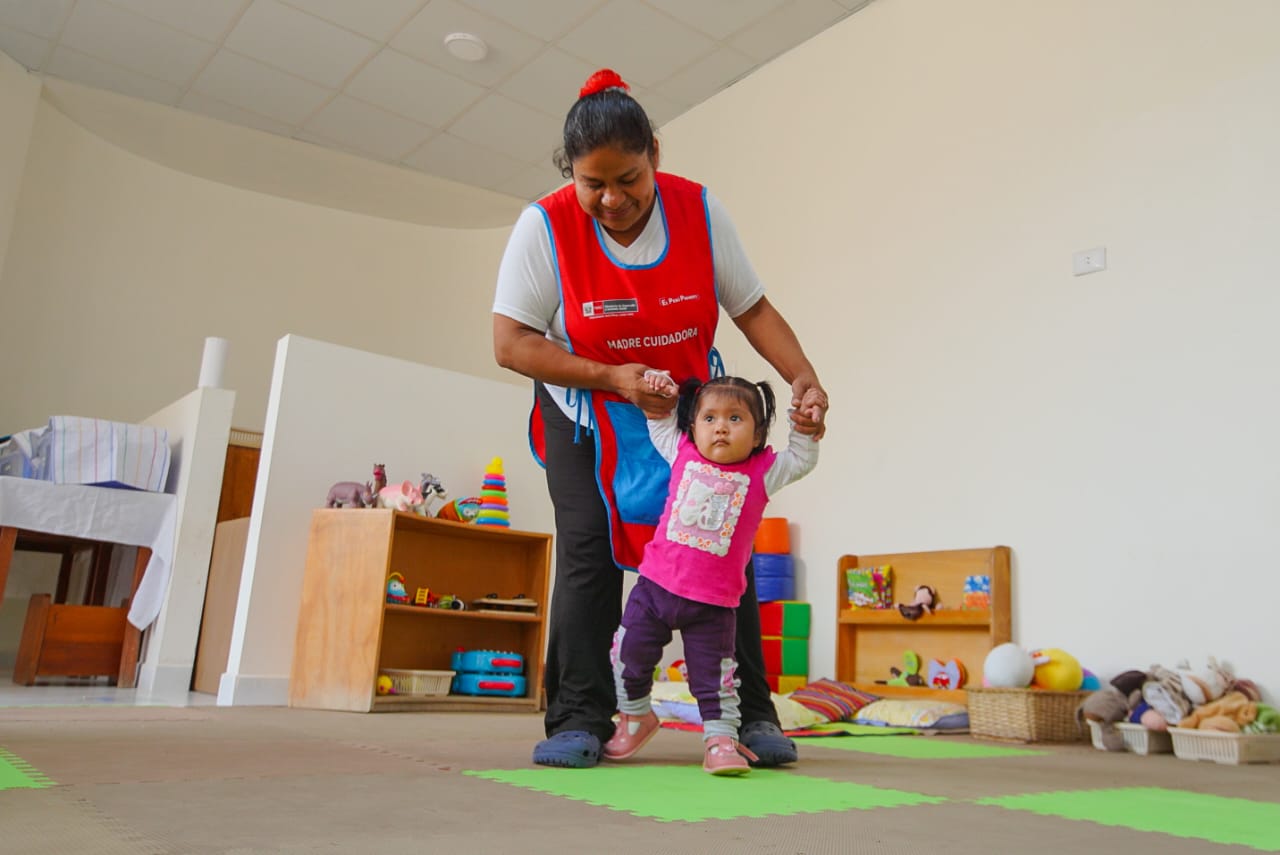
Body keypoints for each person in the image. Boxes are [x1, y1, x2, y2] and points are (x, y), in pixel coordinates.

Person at [492, 68, 829, 770]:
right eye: (594, 184)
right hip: (583, 411)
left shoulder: (700, 212)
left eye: (629, 178)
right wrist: (611, 377)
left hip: (692, 409)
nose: (612, 199)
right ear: (571, 174)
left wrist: (802, 375)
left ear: (655, 155)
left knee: (720, 547)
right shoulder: (544, 226)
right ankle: (580, 715)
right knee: (588, 554)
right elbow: (511, 342)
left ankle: (749, 715)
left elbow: (753, 308)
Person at [605, 374, 819, 775]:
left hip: (714, 604)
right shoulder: (681, 450)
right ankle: (635, 715)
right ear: (693, 427)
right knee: (627, 653)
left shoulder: (763, 472)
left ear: (757, 436)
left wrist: (803, 424)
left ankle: (720, 738)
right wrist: (657, 390)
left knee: (716, 677)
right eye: (710, 418)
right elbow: (657, 418)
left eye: (736, 418)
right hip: (654, 589)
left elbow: (802, 459)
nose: (721, 426)